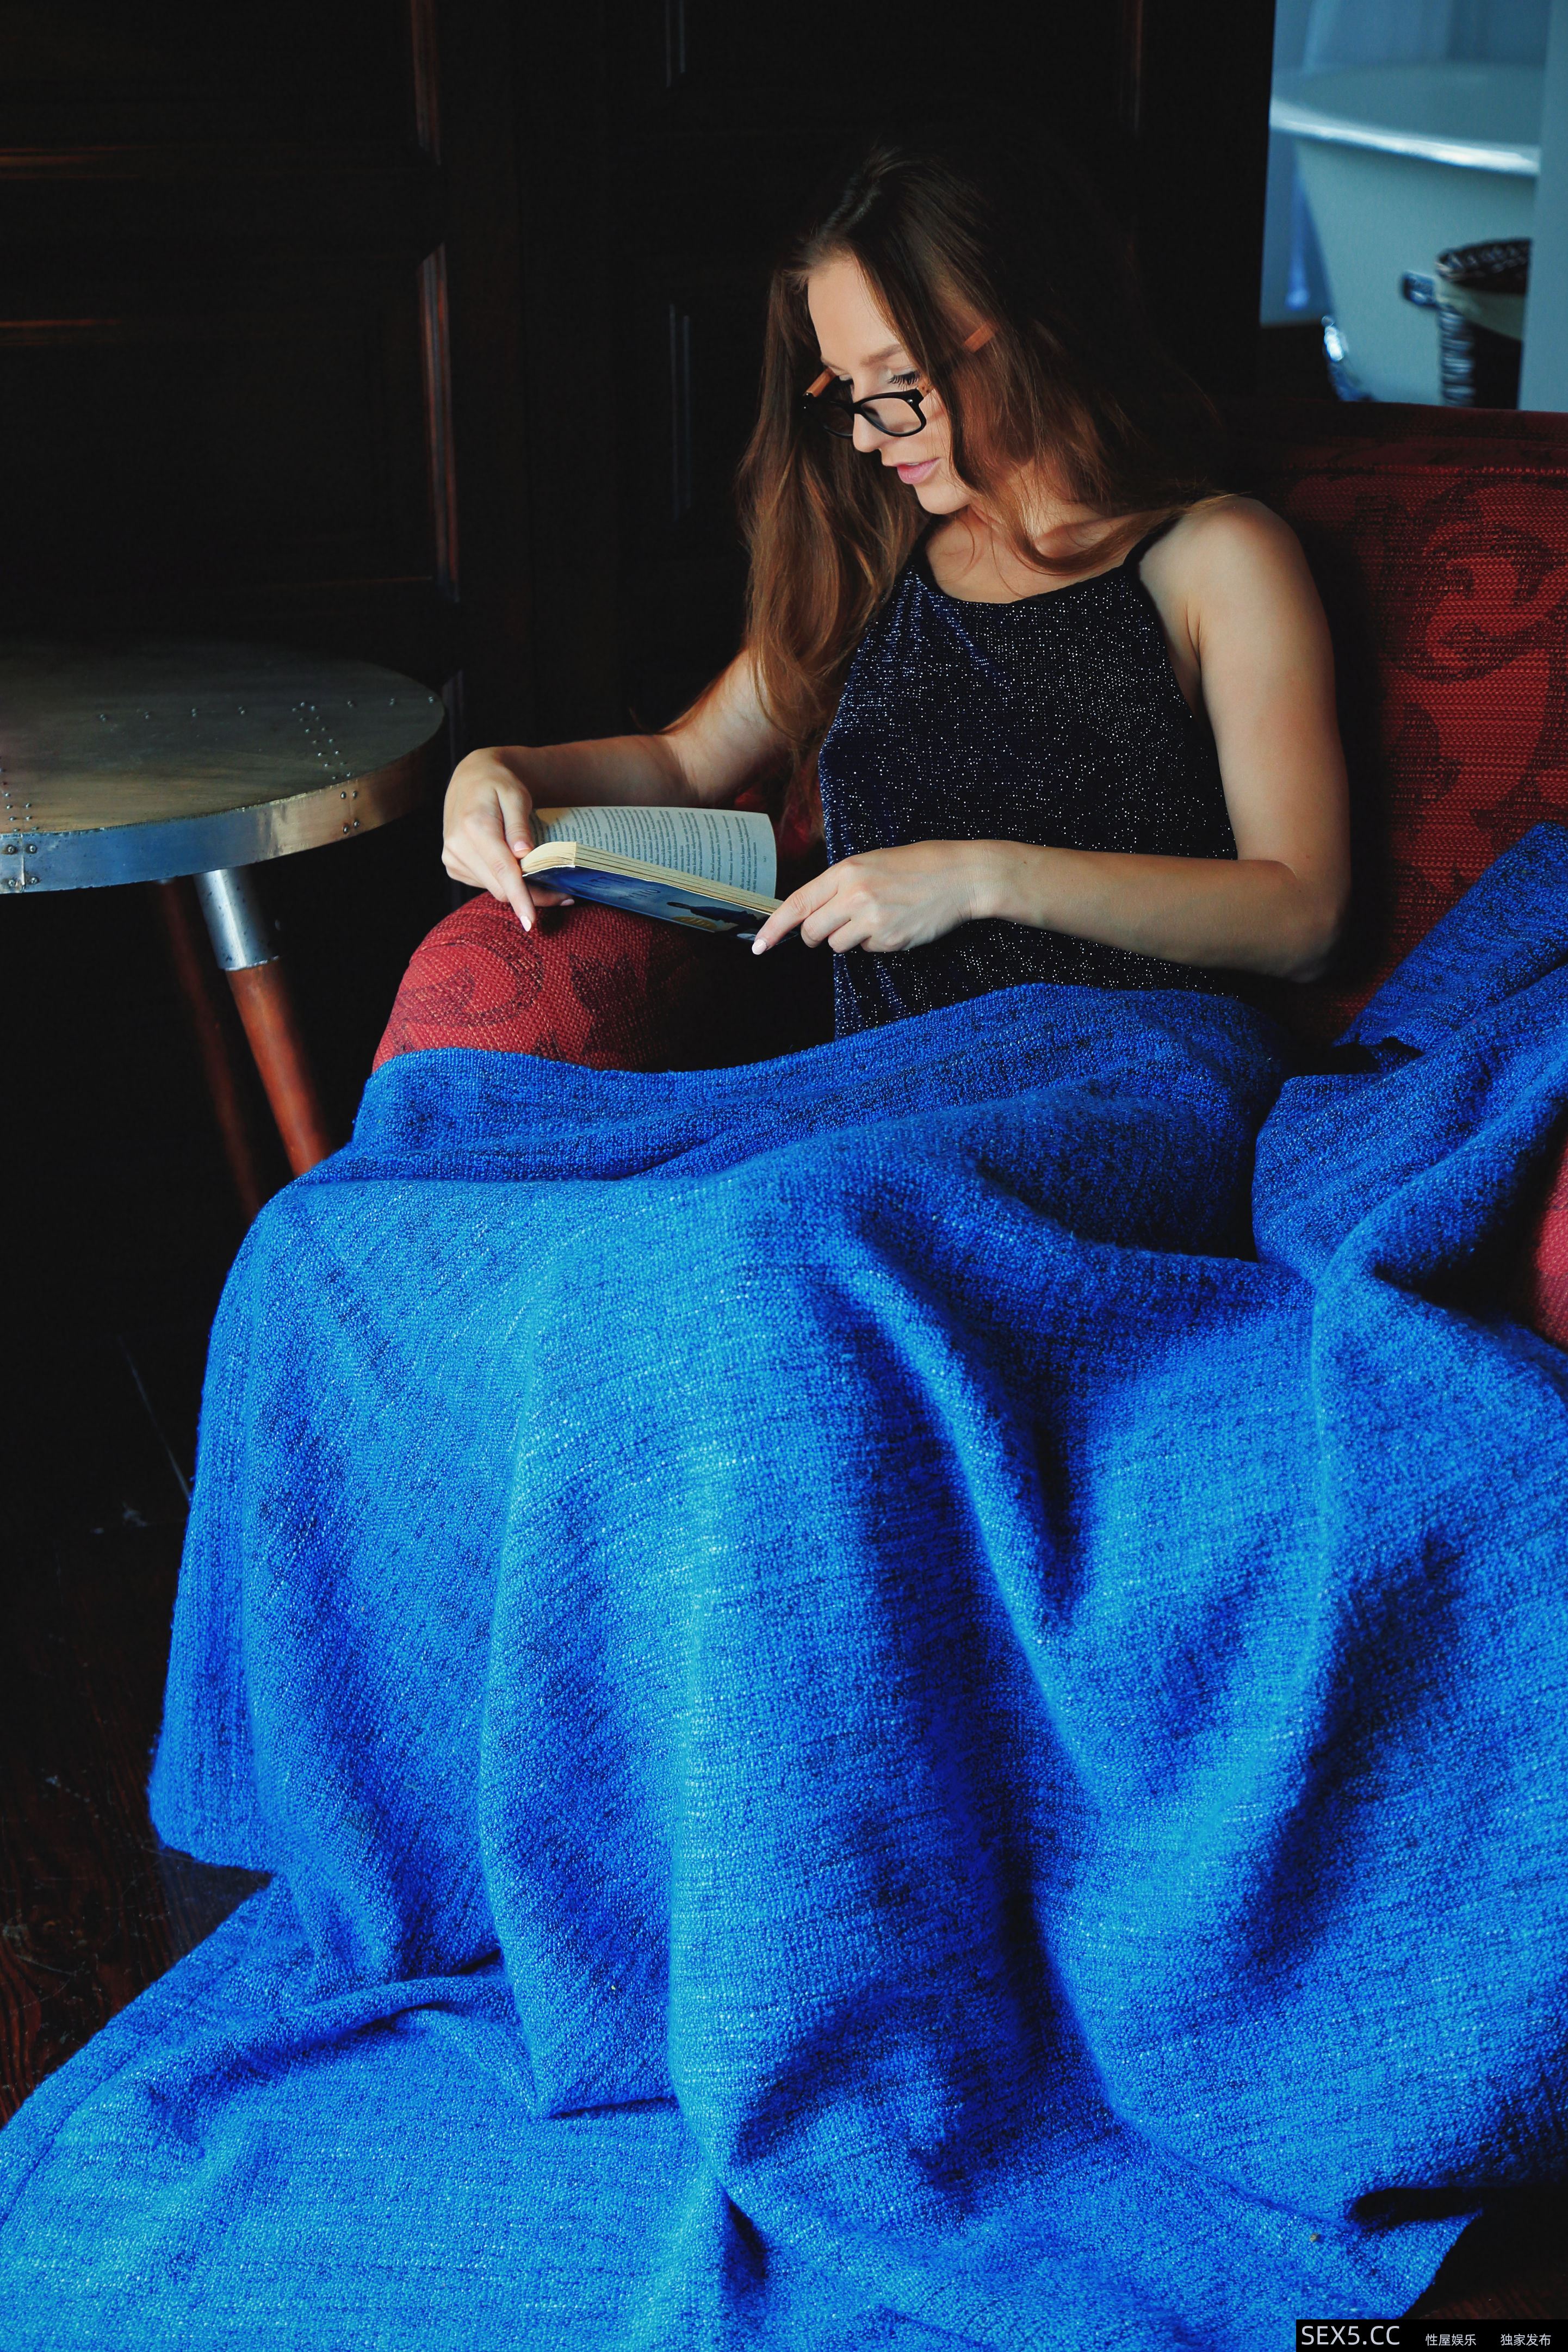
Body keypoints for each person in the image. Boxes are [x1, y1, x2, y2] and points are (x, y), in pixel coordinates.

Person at [382, 133, 1349, 1069]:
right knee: (441, 1149)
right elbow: (683, 765)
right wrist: (494, 772)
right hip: (888, 1089)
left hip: (1130, 1077)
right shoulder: (882, 557)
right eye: (847, 386)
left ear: (1031, 327)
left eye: (899, 380)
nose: (865, 435)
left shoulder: (1214, 556)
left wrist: (984, 877)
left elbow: (1304, 916)